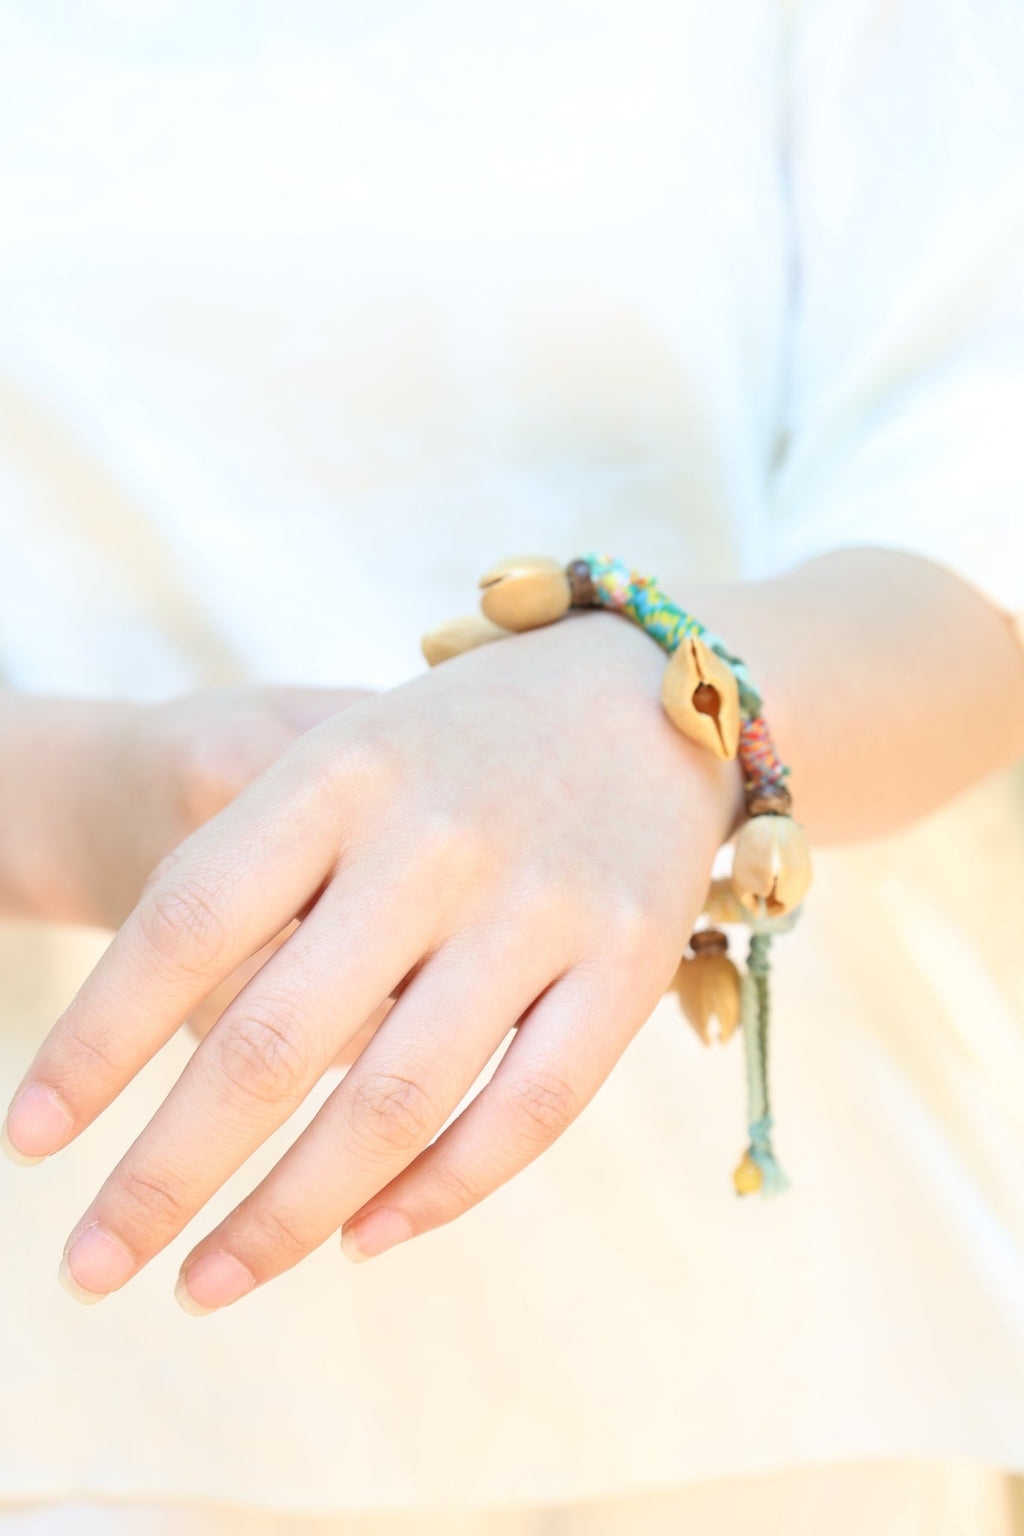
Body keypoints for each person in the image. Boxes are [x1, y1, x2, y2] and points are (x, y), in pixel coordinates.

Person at [1, 1, 1023, 1531]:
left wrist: (653, 708)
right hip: (63, 1392)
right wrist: (82, 802)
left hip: (771, 1367)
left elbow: (972, 507)